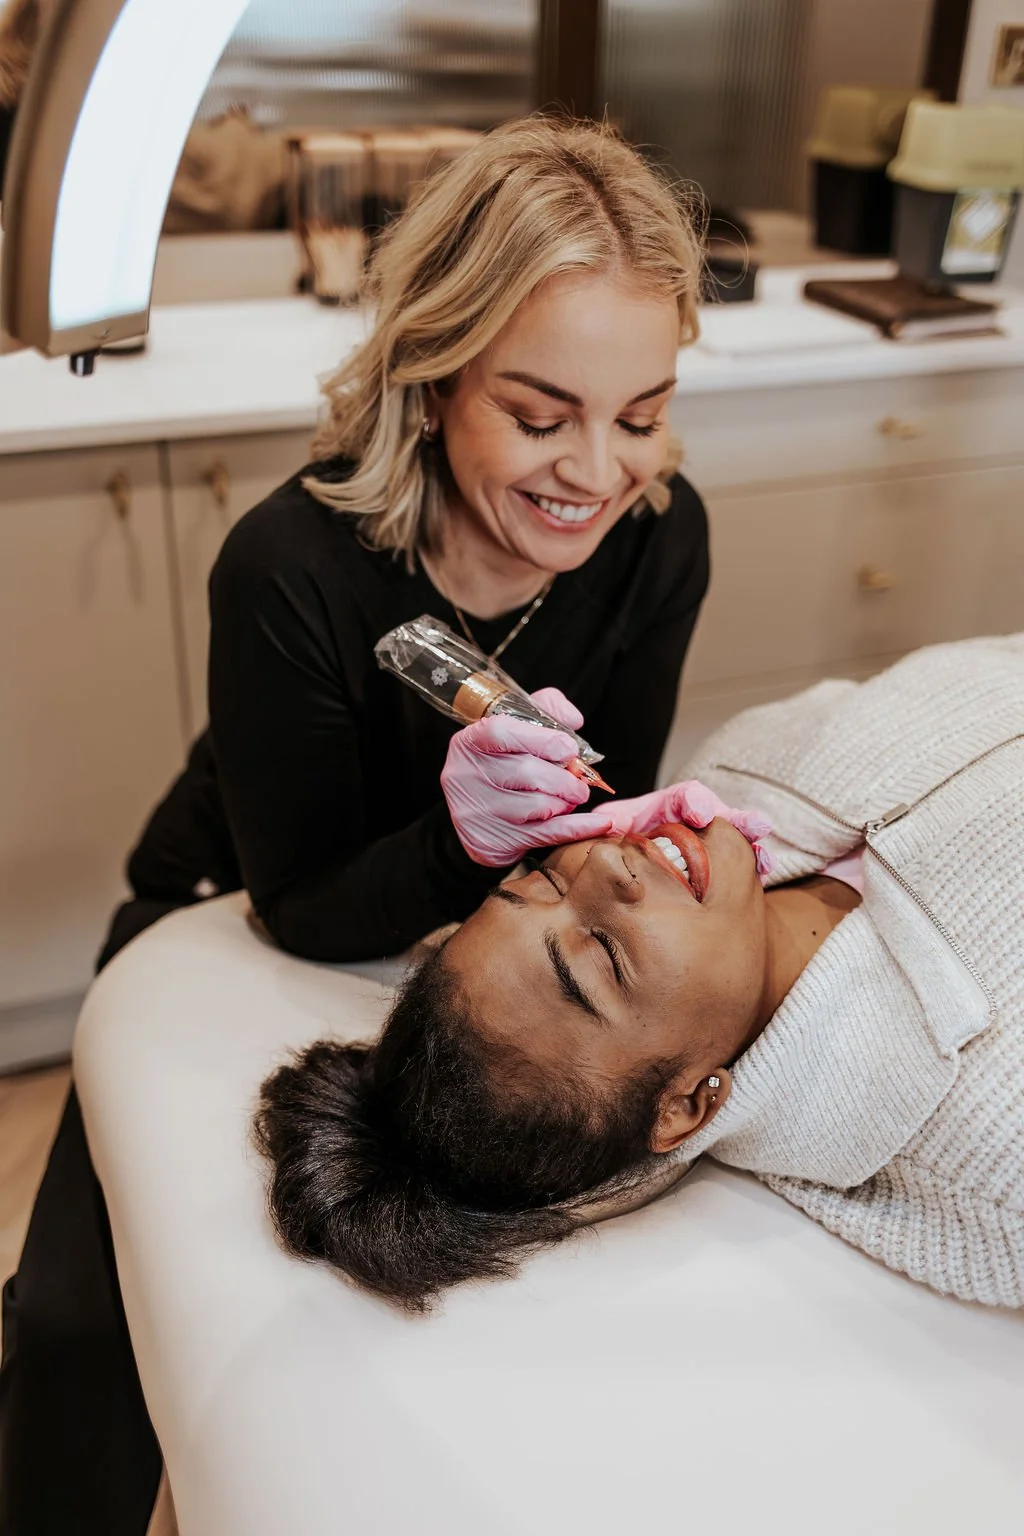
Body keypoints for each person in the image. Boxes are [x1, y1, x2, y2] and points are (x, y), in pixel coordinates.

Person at [1, 117, 720, 1535]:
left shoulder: (661, 536)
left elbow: (593, 800)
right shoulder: (291, 565)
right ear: (437, 368)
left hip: (468, 937)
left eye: (639, 414)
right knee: (91, 1318)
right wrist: (465, 845)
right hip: (233, 905)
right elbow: (305, 906)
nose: (597, 472)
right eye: (540, 412)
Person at [256, 634, 1024, 1314]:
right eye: (607, 955)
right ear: (686, 1105)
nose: (606, 864)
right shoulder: (997, 1140)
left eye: (538, 881)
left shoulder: (729, 767)